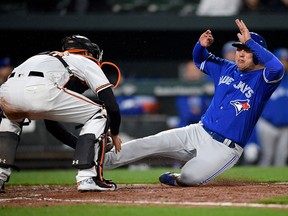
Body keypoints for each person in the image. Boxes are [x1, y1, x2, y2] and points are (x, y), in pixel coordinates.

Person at [103, 19, 284, 187]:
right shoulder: (226, 68)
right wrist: (201, 45)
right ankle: (101, 162)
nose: (240, 54)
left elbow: (277, 67)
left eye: (247, 50)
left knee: (190, 177)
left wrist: (251, 42)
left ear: (259, 56)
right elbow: (199, 59)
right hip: (198, 131)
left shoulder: (264, 80)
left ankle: (179, 177)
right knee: (148, 143)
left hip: (224, 148)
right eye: (239, 49)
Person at [0, 35, 122, 193]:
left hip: (7, 90)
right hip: (41, 89)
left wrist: (85, 146)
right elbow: (111, 105)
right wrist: (115, 133)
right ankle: (88, 178)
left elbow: (52, 126)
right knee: (100, 112)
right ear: (85, 53)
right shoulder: (84, 60)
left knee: (9, 121)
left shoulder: (45, 57)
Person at [257, 47, 288, 166]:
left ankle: (280, 185)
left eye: (286, 60)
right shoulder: (265, 78)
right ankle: (258, 185)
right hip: (267, 124)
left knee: (281, 158)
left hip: (286, 127)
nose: (283, 62)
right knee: (267, 156)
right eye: (281, 59)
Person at [175, 60, 211, 128]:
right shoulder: (180, 89)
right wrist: (197, 112)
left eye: (195, 70)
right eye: (190, 71)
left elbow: (209, 114)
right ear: (185, 73)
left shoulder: (208, 89)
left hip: (205, 128)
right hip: (185, 127)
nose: (193, 74)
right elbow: (186, 115)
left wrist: (198, 112)